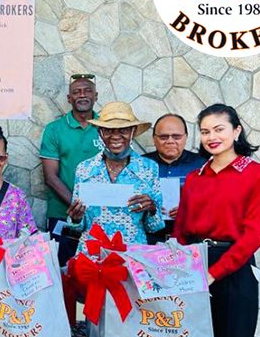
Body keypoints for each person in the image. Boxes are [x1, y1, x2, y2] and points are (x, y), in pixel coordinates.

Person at [173, 104, 260, 337]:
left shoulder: (257, 175)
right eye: (205, 131)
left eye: (219, 129)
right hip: (195, 267)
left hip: (233, 268)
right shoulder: (195, 178)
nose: (211, 137)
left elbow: (252, 236)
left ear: (236, 131)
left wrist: (214, 273)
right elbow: (181, 229)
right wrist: (178, 266)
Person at [67, 102, 164, 249]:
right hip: (92, 256)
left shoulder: (148, 169)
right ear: (100, 132)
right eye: (108, 130)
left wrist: (152, 210)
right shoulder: (85, 169)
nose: (115, 136)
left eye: (123, 130)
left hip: (131, 256)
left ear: (133, 131)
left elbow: (154, 227)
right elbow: (77, 228)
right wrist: (75, 218)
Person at [40, 73, 103, 265]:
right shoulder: (54, 129)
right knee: (65, 268)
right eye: (76, 92)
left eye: (87, 91)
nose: (82, 95)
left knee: (99, 270)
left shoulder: (107, 127)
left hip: (102, 217)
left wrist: (92, 210)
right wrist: (79, 208)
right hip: (63, 215)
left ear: (96, 96)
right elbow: (51, 177)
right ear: (69, 98)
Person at [143, 113, 206, 243]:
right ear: (154, 139)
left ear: (186, 137)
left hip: (190, 239)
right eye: (163, 137)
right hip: (148, 238)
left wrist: (190, 210)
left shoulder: (202, 165)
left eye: (176, 136)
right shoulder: (141, 164)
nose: (170, 141)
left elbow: (213, 204)